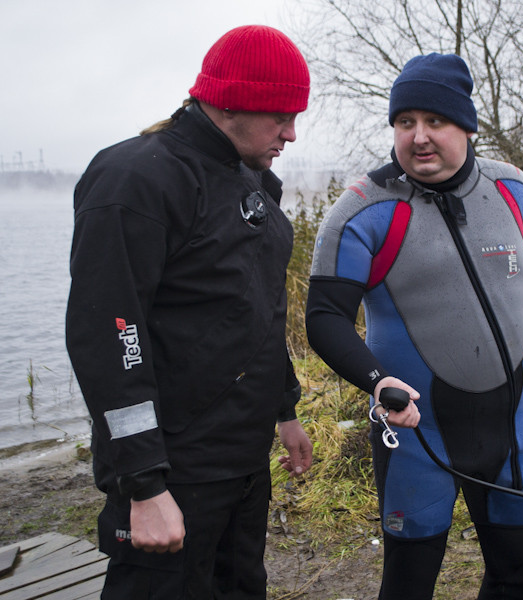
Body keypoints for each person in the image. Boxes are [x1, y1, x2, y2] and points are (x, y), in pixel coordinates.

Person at [305, 53, 523, 599]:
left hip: (513, 436)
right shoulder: (362, 212)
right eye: (404, 122)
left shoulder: (514, 193)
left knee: (518, 579)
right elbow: (324, 319)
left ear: (466, 125)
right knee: (408, 589)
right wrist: (377, 382)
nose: (418, 137)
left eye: (434, 121)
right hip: (416, 435)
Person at [65, 25, 313, 599]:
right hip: (175, 471)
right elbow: (109, 335)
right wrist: (144, 486)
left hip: (243, 462)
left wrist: (285, 407)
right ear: (231, 102)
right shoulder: (137, 178)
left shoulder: (250, 180)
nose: (291, 133)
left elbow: (256, 308)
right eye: (280, 115)